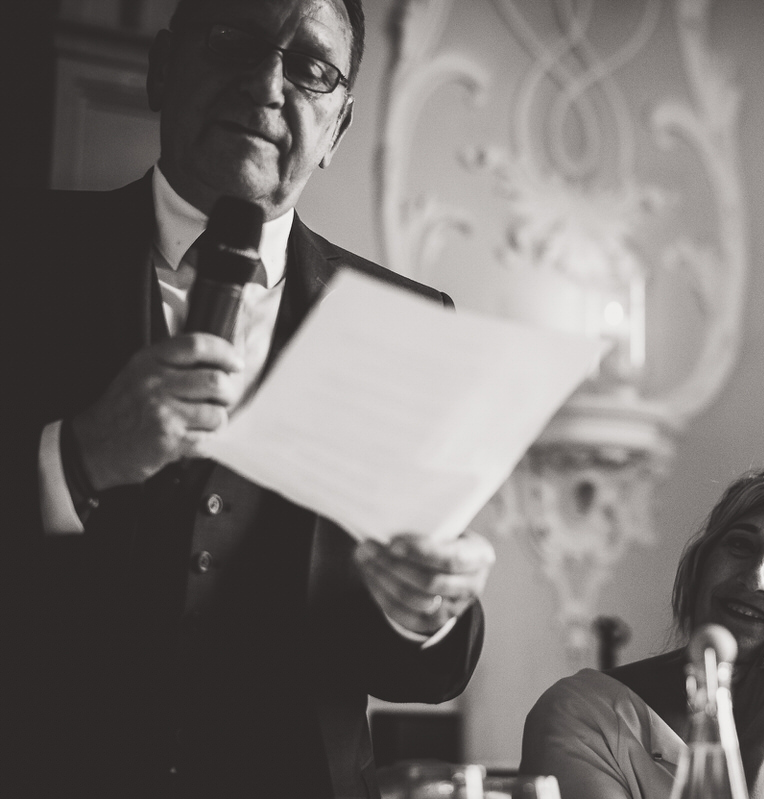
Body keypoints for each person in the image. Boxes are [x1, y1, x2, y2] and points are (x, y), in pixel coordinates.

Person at [4, 0, 493, 797]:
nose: (268, 85)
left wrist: (426, 607)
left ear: (337, 128)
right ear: (164, 68)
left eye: (312, 68)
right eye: (235, 41)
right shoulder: (18, 253)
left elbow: (424, 670)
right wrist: (75, 458)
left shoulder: (407, 324)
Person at [520, 461, 764, 799]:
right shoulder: (583, 716)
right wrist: (758, 747)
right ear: (700, 568)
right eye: (741, 545)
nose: (755, 578)